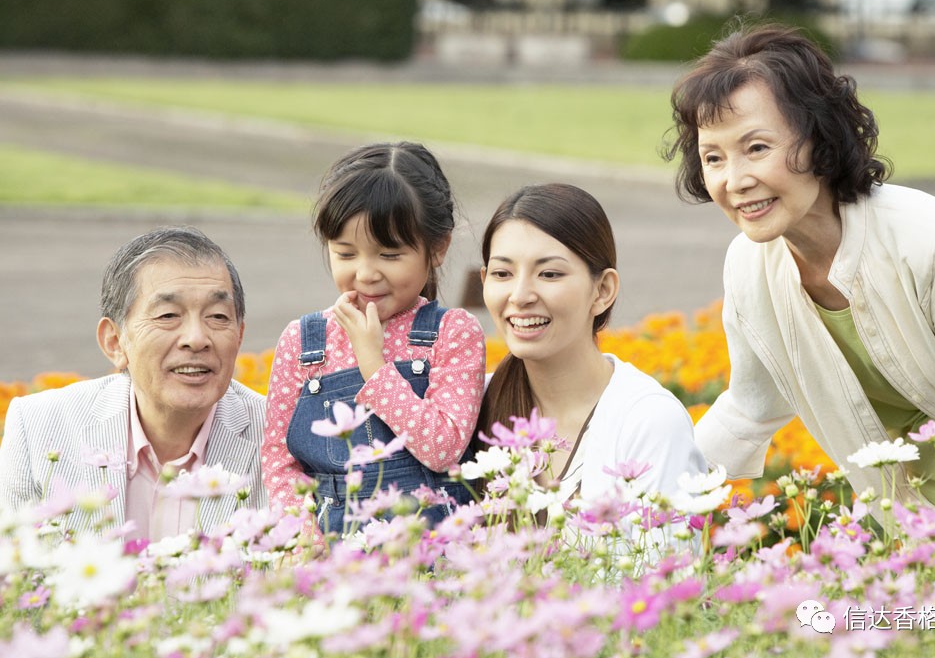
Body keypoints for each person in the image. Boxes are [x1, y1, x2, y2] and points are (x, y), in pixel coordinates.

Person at [666, 22, 935, 506]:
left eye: (757, 148)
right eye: (713, 157)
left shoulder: (934, 241)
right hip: (920, 523)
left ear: (819, 139)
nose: (734, 180)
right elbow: (750, 407)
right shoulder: (748, 265)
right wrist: (646, 501)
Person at [262, 141, 485, 536]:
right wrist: (298, 530)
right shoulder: (302, 341)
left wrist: (374, 367)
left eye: (389, 255)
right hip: (334, 553)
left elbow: (443, 449)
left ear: (437, 248)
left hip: (434, 554)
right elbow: (279, 460)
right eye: (346, 254)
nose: (365, 273)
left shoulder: (453, 333)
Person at [0, 226, 267, 538]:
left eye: (218, 317)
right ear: (115, 342)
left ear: (239, 336)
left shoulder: (281, 436)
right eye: (168, 315)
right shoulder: (39, 427)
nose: (197, 339)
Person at [478, 182, 706, 511]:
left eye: (550, 274)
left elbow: (663, 560)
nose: (520, 295)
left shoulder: (649, 422)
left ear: (603, 290)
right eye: (502, 273)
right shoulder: (469, 409)